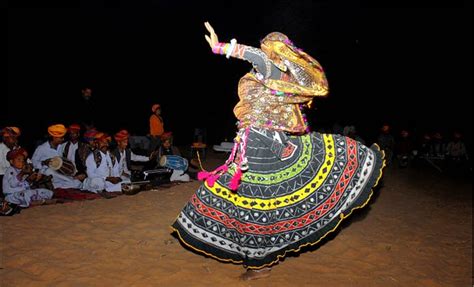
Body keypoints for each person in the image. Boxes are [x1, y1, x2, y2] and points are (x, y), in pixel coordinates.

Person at [171, 22, 385, 280]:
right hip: (268, 139)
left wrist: (219, 46)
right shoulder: (284, 77)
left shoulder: (267, 64)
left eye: (265, 45)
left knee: (253, 201)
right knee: (261, 200)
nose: (261, 49)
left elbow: (249, 53)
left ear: (272, 49)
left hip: (260, 142)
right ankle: (262, 258)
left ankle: (260, 263)